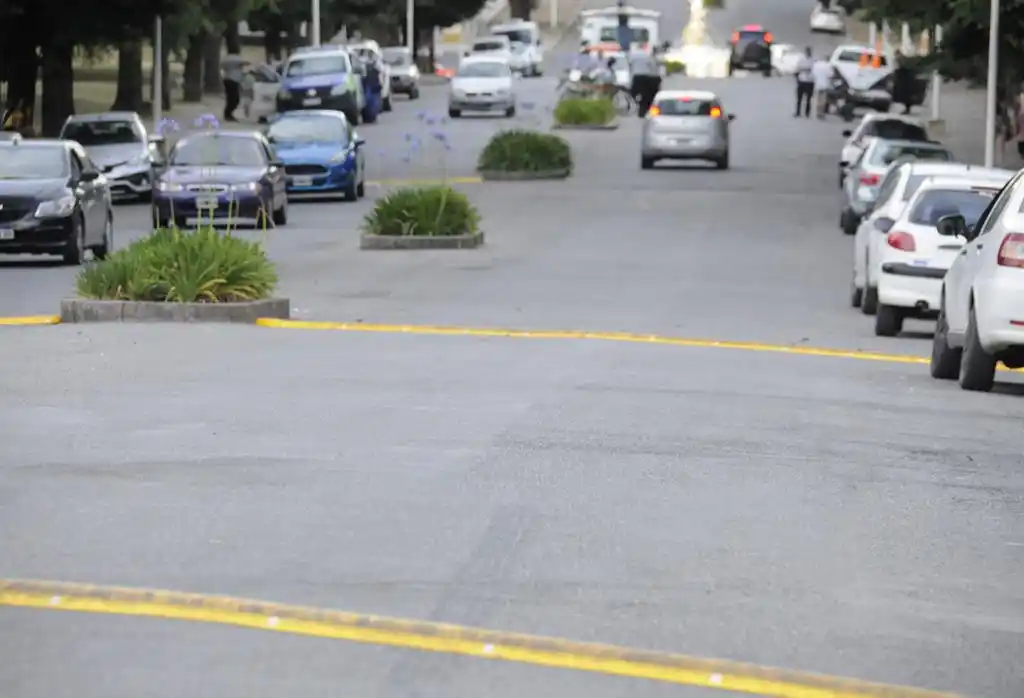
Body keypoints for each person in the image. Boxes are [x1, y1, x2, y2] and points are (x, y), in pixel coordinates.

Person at [629, 50, 661, 117]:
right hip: (646, 77)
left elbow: (630, 65)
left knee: (633, 94)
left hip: (636, 76)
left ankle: (636, 104)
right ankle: (642, 108)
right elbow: (652, 67)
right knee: (646, 96)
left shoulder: (633, 57)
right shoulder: (648, 57)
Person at [220, 53, 249, 122]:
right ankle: (228, 114)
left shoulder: (227, 61)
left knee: (231, 98)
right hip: (232, 81)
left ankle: (228, 114)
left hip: (228, 79)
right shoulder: (234, 59)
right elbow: (246, 62)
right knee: (234, 99)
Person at [811, 52, 833, 119]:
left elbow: (813, 74)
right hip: (824, 85)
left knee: (818, 99)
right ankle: (821, 113)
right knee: (823, 100)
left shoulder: (817, 65)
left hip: (817, 85)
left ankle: (818, 112)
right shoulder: (828, 66)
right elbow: (831, 75)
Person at [794, 46, 814, 118]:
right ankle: (798, 112)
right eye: (807, 51)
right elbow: (797, 68)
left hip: (810, 81)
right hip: (802, 80)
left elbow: (814, 70)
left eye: (809, 51)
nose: (808, 53)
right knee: (799, 98)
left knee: (808, 99)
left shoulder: (813, 60)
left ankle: (807, 113)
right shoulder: (801, 59)